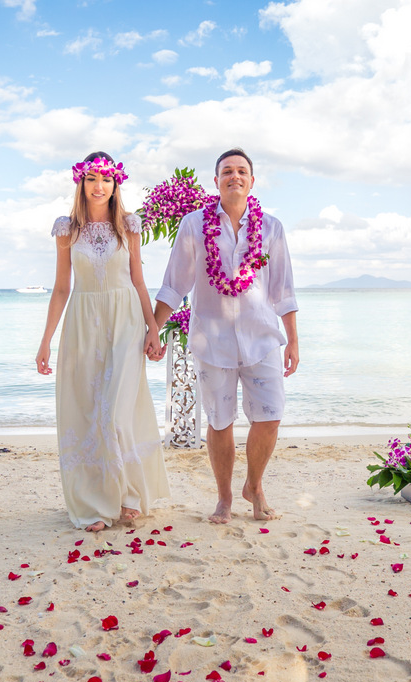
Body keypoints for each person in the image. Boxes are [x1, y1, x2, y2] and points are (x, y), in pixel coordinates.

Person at [153, 148, 298, 523]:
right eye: (227, 171)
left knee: (270, 415)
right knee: (219, 422)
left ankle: (255, 485)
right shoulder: (192, 225)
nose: (235, 176)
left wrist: (294, 340)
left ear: (252, 180)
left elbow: (282, 290)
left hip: (262, 337)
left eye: (242, 171)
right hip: (212, 341)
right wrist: (154, 328)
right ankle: (224, 498)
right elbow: (175, 283)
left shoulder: (271, 227)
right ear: (215, 181)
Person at [36, 152, 171, 531]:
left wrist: (153, 328)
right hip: (83, 325)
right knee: (88, 412)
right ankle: (97, 505)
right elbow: (62, 287)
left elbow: (139, 280)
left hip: (125, 323)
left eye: (107, 179)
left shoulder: (129, 225)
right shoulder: (67, 229)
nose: (99, 186)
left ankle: (129, 495)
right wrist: (46, 340)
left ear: (116, 185)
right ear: (81, 183)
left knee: (118, 413)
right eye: (92, 178)